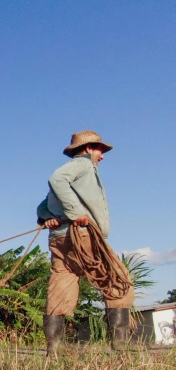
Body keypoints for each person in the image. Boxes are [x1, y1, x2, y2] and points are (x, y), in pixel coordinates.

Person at [36, 130, 134, 356]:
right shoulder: (83, 165)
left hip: (59, 238)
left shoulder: (78, 175)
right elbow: (56, 179)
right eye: (100, 150)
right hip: (82, 235)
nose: (103, 155)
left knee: (62, 284)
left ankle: (55, 347)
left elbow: (43, 203)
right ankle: (119, 343)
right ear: (89, 148)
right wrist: (76, 212)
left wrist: (45, 216)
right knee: (118, 281)